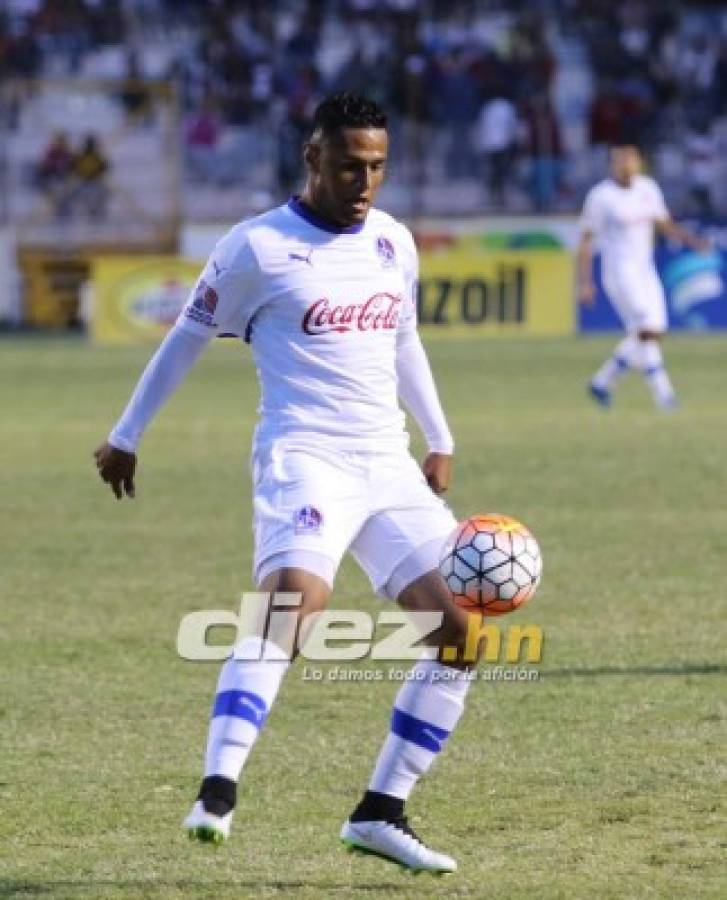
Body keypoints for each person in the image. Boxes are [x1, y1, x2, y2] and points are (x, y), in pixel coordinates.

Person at [94, 93, 479, 874]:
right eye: (348, 165)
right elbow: (185, 337)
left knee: (462, 631)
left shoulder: (392, 243)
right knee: (294, 607)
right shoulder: (256, 248)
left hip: (387, 464)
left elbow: (404, 339)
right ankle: (218, 787)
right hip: (304, 457)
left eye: (376, 165)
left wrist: (437, 437)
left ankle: (380, 812)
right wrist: (126, 435)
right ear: (313, 160)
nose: (364, 180)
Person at [577, 144, 708, 409]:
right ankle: (664, 395)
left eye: (630, 160)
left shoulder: (647, 188)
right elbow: (586, 240)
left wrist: (691, 241)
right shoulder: (601, 197)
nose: (625, 166)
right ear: (612, 165)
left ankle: (601, 382)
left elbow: (663, 223)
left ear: (639, 163)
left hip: (645, 270)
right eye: (620, 161)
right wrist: (585, 281)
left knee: (653, 330)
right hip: (619, 272)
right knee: (646, 329)